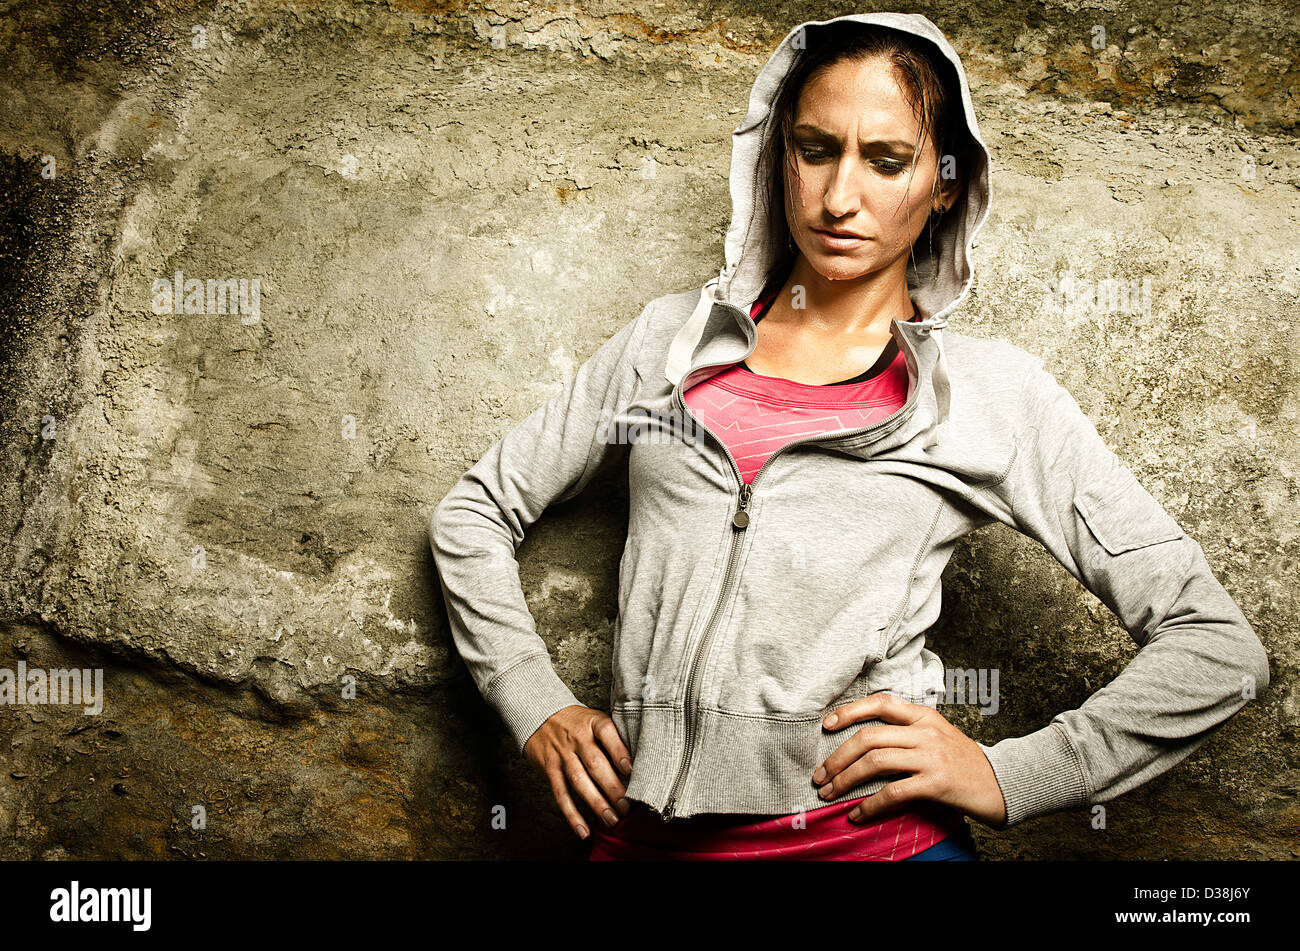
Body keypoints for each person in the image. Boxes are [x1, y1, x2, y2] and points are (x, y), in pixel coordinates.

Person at [428, 12, 1270, 861]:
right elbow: (474, 514)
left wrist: (1015, 774)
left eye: (887, 161)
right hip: (638, 843)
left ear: (945, 183)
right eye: (816, 149)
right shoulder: (669, 344)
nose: (840, 198)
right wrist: (534, 698)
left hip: (874, 849)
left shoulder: (988, 396)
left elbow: (1216, 648)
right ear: (778, 155)